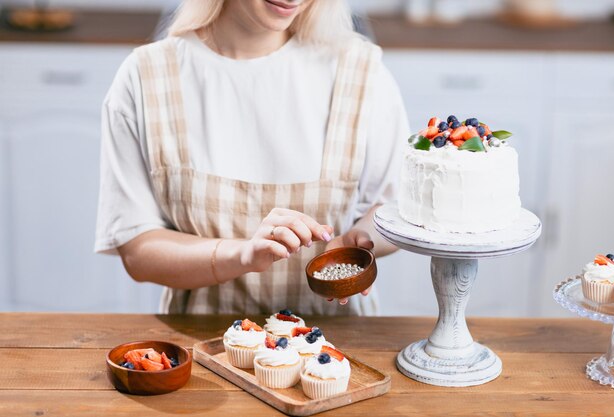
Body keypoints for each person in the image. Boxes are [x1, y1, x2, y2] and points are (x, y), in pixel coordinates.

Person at [95, 0, 409, 315]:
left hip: (340, 351)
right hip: (203, 349)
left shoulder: (361, 72)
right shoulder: (147, 77)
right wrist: (242, 256)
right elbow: (138, 250)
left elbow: (392, 209)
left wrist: (359, 240)